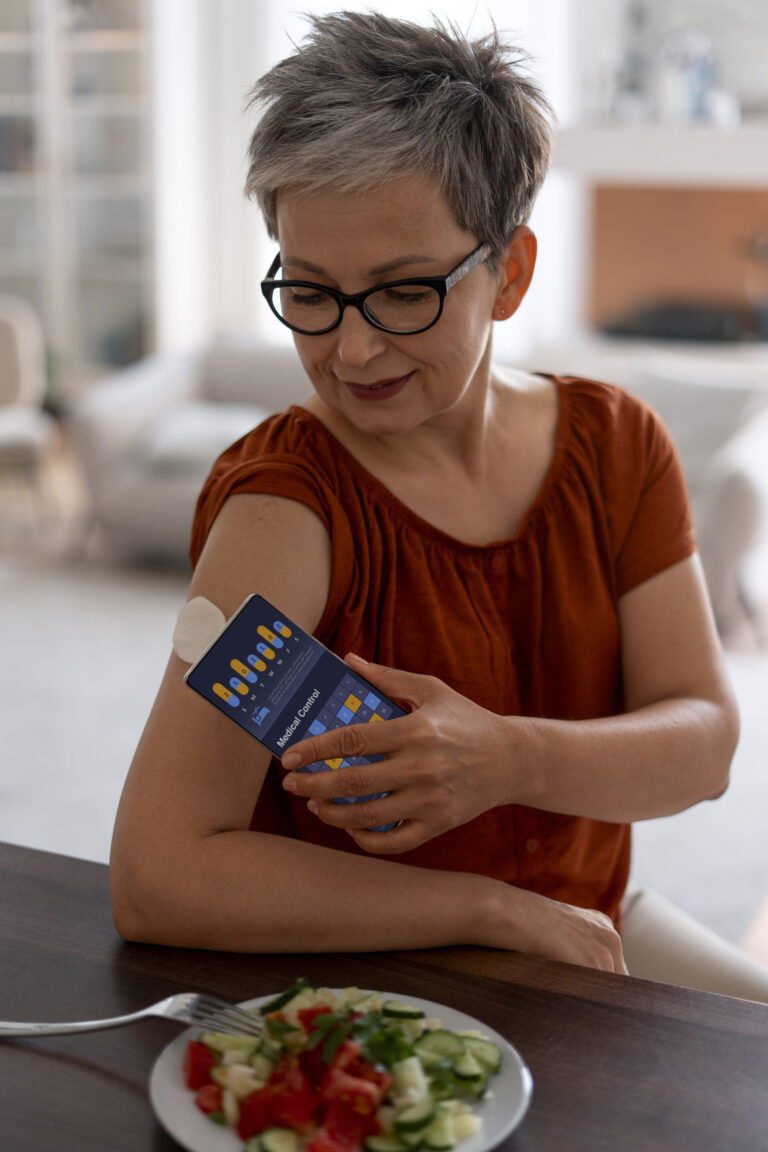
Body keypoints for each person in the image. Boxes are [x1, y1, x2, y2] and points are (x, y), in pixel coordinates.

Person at [110, 11, 739, 976]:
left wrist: (508, 760)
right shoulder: (286, 509)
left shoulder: (617, 446)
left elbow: (705, 744)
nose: (352, 350)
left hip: (586, 937)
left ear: (510, 274)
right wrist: (490, 910)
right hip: (379, 971)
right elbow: (160, 874)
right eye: (309, 292)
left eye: (404, 292)